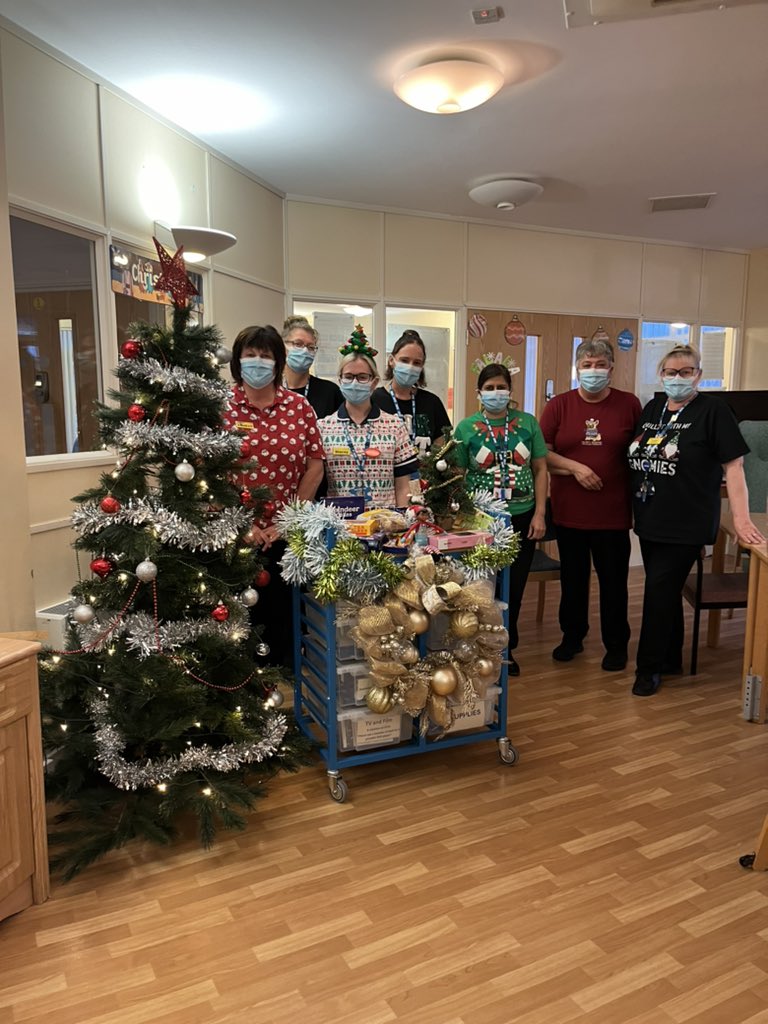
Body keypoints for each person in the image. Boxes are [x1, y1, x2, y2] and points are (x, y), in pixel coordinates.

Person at [628, 343, 766, 697]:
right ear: (661, 374)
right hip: (650, 517)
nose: (678, 378)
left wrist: (740, 520)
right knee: (666, 591)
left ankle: (647, 669)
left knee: (657, 591)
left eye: (686, 371)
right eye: (671, 372)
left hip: (687, 521)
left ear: (698, 375)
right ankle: (670, 658)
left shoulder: (713, 411)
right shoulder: (653, 407)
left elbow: (734, 468)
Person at [222, 324, 325, 666]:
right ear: (237, 361)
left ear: (278, 361)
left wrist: (286, 521)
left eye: (265, 355)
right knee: (238, 626)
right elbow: (207, 469)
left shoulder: (299, 408)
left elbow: (315, 467)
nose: (257, 362)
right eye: (250, 355)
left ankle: (286, 698)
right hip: (235, 536)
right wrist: (242, 524)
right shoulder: (221, 408)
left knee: (283, 626)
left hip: (286, 535)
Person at [539, 339, 642, 672]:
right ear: (577, 369)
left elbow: (640, 451)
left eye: (600, 365)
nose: (593, 371)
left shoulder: (629, 405)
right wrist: (576, 468)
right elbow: (542, 455)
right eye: (587, 365)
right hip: (570, 513)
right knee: (573, 581)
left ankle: (616, 645)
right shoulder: (559, 406)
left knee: (614, 584)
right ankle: (572, 637)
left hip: (612, 514)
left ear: (611, 368)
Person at [453, 362, 548, 676]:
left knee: (515, 588)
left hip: (521, 518)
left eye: (501, 387)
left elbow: (540, 469)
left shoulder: (527, 423)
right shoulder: (466, 428)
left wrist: (540, 514)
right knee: (481, 588)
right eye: (490, 388)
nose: (496, 393)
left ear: (510, 390)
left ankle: (507, 650)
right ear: (479, 392)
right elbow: (457, 474)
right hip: (481, 523)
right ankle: (477, 648)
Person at [318, 326, 419, 507]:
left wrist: (405, 522)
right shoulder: (323, 428)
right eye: (348, 376)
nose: (355, 382)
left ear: (374, 382)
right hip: (341, 525)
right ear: (340, 380)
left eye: (363, 377)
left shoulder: (395, 426)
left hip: (386, 526)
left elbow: (406, 485)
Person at [371, 329, 451, 458]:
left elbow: (443, 448)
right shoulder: (374, 400)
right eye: (404, 360)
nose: (410, 367)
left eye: (417, 363)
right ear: (391, 360)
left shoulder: (432, 402)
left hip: (424, 476)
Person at [281, 314, 343, 420]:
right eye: (298, 344)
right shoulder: (270, 390)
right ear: (283, 347)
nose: (305, 351)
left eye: (310, 347)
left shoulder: (330, 392)